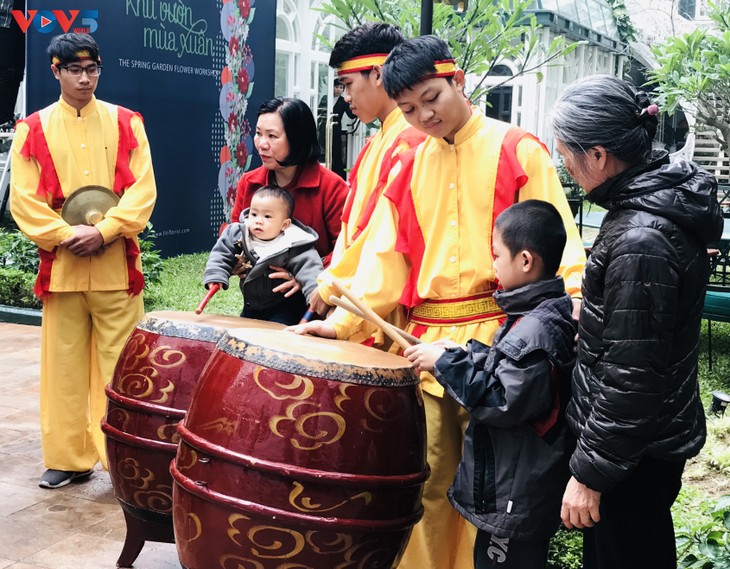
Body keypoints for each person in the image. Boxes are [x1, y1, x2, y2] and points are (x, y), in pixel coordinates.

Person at [294, 35, 586, 569]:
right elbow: (385, 257)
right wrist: (339, 325)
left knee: (498, 490)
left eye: (433, 98)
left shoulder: (518, 149)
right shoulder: (406, 165)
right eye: (408, 109)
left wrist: (569, 305)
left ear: (459, 81)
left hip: (504, 348)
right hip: (428, 350)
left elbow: (556, 240)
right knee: (428, 484)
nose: (424, 116)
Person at [552, 75, 723, 569]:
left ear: (599, 156)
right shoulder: (648, 205)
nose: (564, 164)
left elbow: (634, 378)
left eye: (566, 153)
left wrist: (590, 476)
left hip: (631, 454)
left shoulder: (641, 238)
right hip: (640, 445)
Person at [9, 33, 156, 489]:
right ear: (55, 71)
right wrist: (65, 234)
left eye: (92, 69)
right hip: (63, 269)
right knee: (64, 368)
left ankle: (125, 460)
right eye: (75, 70)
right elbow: (23, 201)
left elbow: (143, 190)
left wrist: (105, 230)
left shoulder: (127, 122)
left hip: (116, 269)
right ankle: (68, 459)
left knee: (123, 368)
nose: (85, 78)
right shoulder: (32, 129)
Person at [404, 200, 576, 569]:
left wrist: (446, 364)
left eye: (497, 255)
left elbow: (503, 400)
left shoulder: (534, 329)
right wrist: (462, 352)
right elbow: (511, 371)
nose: (492, 264)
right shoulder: (543, 311)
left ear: (526, 261)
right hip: (518, 484)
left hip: (516, 492)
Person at [308, 22, 426, 321]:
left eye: (347, 84)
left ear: (377, 73)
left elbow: (379, 235)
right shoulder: (378, 142)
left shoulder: (410, 140)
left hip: (386, 303)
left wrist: (332, 283)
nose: (345, 97)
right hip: (360, 296)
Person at [231, 98, 347, 298]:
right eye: (258, 133)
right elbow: (234, 232)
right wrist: (234, 260)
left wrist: (306, 278)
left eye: (272, 136)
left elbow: (347, 250)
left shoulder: (332, 187)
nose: (261, 144)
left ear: (298, 139)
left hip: (314, 303)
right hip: (259, 301)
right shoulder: (249, 182)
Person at [204, 186, 322, 325]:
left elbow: (310, 270)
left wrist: (315, 295)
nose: (258, 220)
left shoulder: (295, 242)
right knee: (243, 335)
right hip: (251, 306)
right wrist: (216, 275)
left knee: (275, 337)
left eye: (267, 216)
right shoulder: (239, 233)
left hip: (285, 307)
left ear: (285, 224)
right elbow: (221, 253)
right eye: (254, 214)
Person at [317, 78, 356, 179]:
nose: (339, 89)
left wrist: (357, 104)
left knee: (336, 154)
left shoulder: (343, 101)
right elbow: (319, 112)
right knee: (322, 152)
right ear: (332, 87)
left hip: (335, 130)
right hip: (323, 129)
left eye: (341, 88)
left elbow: (351, 115)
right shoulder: (326, 98)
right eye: (337, 87)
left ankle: (338, 177)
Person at [0, 0, 25, 129]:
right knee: (5, 70)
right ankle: (3, 120)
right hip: (4, 18)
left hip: (28, 16)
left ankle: (6, 120)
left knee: (16, 71)